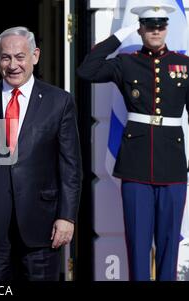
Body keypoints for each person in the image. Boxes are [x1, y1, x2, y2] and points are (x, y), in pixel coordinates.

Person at [0, 26, 82, 281]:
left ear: (35, 56)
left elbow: (70, 167)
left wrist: (67, 217)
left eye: (20, 57)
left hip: (42, 226)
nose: (13, 65)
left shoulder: (59, 101)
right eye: (6, 57)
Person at [77, 2, 188, 281]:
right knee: (137, 247)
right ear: (140, 29)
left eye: (161, 25)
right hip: (136, 165)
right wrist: (117, 36)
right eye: (150, 26)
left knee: (168, 249)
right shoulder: (126, 63)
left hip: (173, 165)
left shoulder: (184, 65)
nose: (156, 31)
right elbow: (86, 71)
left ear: (167, 29)